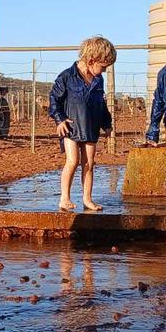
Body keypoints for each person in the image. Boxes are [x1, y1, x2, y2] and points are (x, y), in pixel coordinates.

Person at [49, 35, 117, 212]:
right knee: (72, 161)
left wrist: (107, 123)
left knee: (89, 163)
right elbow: (54, 100)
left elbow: (101, 104)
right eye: (102, 67)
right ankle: (65, 198)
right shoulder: (66, 77)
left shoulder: (98, 80)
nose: (103, 71)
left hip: (91, 126)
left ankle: (87, 199)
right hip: (71, 126)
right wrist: (59, 119)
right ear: (92, 60)